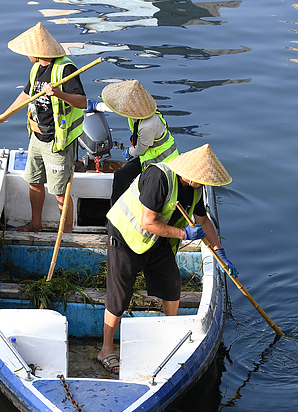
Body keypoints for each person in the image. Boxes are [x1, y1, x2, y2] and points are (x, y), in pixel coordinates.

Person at [97, 144, 238, 376]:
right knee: (119, 296)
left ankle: (168, 334)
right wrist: (183, 234)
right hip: (127, 237)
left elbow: (202, 220)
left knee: (172, 286)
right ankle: (106, 349)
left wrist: (220, 251)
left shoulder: (194, 188)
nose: (203, 185)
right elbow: (147, 222)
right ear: (190, 174)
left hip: (158, 239)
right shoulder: (159, 178)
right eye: (201, 180)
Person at [0, 23, 87, 233]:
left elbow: (81, 102)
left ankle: (66, 235)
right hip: (36, 136)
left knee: (60, 192)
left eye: (28, 52)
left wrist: (59, 94)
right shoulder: (36, 68)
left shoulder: (65, 69)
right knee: (34, 182)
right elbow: (26, 96)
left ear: (38, 51)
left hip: (57, 141)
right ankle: (35, 225)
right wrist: (4, 116)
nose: (27, 56)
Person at [86, 79, 178, 204]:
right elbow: (118, 107)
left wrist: (128, 152)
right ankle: (115, 211)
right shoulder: (142, 109)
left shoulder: (148, 126)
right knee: (120, 176)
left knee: (146, 190)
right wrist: (97, 106)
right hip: (147, 159)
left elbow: (140, 149)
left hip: (162, 164)